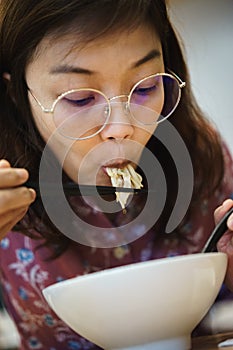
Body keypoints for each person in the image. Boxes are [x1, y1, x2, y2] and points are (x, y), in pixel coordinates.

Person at [0, 0, 233, 349]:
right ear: (18, 94)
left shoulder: (199, 157)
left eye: (145, 88)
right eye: (79, 99)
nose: (122, 128)